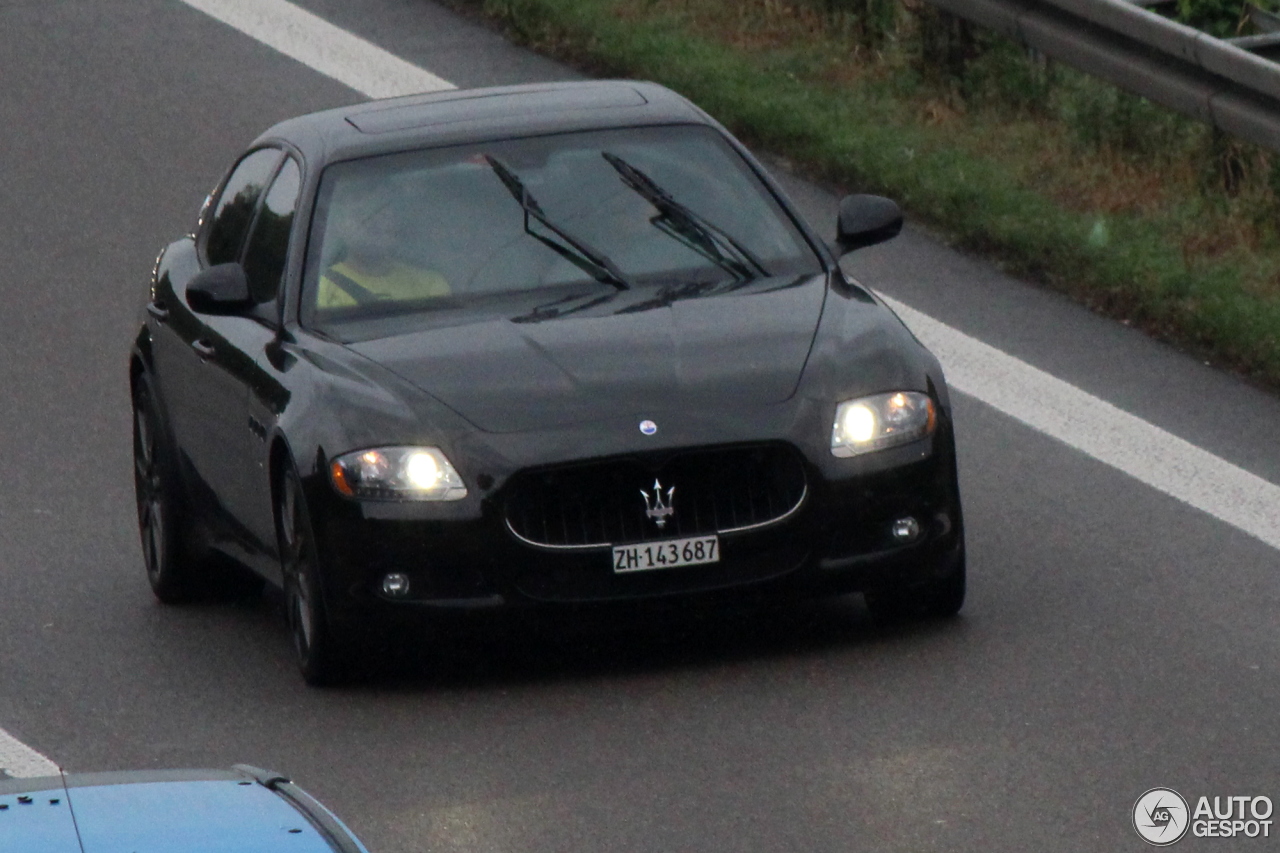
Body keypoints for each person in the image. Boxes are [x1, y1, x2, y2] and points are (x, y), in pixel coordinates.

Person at [316, 206, 449, 309]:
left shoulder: (431, 285)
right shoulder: (319, 290)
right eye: (360, 214)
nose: (373, 223)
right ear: (340, 226)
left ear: (396, 222)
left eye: (382, 213)